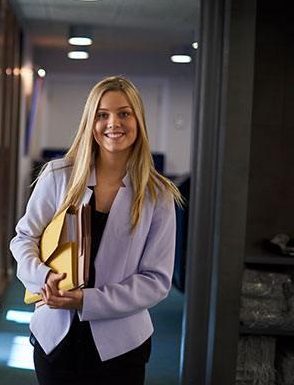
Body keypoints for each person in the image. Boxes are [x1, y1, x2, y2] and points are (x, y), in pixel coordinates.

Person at [9, 76, 183, 384]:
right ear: (91, 122)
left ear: (138, 120)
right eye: (102, 114)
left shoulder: (159, 195)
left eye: (124, 113)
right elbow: (25, 239)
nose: (113, 123)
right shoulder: (58, 175)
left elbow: (156, 281)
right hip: (55, 338)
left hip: (121, 346)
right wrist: (44, 277)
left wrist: (86, 301)